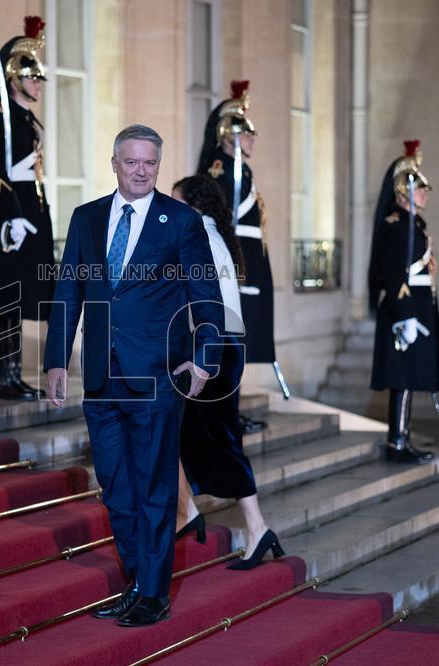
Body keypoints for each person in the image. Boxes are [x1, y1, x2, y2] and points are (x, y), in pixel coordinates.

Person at [44, 125, 225, 627]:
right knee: (116, 486)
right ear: (115, 163)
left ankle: (153, 592)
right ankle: (136, 579)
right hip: (101, 376)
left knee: (154, 486)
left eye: (150, 163)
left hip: (159, 375)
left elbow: (204, 295)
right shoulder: (86, 218)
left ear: (157, 166)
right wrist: (57, 359)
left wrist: (205, 356)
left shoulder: (181, 221)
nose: (141, 171)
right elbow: (68, 293)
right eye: (132, 162)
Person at [171, 175, 283, 570]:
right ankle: (188, 512)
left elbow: (206, 302)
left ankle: (256, 528)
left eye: (177, 201)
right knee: (185, 433)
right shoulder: (215, 234)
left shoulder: (200, 236)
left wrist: (203, 357)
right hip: (221, 344)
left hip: (213, 347)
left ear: (195, 204)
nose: (172, 208)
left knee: (221, 438)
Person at [0, 16, 55, 400]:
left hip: (30, 212)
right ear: (14, 77)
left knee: (20, 296)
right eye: (32, 75)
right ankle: (2, 377)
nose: (38, 81)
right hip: (11, 216)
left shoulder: (24, 118)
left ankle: (13, 374)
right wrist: (12, 215)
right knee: (6, 295)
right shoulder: (0, 117)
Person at [196, 80, 274, 433]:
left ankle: (232, 411)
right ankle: (224, 414)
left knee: (239, 340)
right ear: (228, 136)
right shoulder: (220, 168)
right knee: (229, 340)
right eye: (247, 134)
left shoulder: (242, 169)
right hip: (234, 261)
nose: (253, 139)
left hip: (249, 261)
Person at [367, 140, 439, 463]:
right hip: (405, 310)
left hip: (417, 309)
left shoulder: (413, 225)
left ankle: (403, 436)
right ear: (403, 191)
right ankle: (397, 440)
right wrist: (406, 315)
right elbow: (393, 275)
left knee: (410, 375)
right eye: (420, 188)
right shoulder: (397, 226)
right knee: (402, 376)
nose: (425, 193)